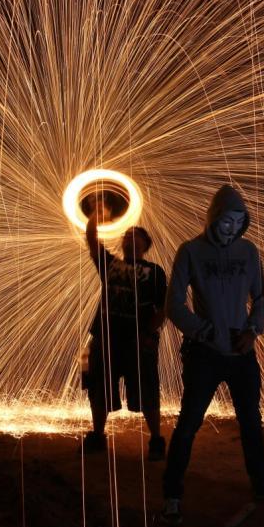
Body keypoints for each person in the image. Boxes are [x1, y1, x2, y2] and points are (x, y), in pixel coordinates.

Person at [160, 184, 264, 526]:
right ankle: (172, 494)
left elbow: (260, 298)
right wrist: (203, 332)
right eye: (226, 221)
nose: (231, 227)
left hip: (241, 352)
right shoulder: (190, 252)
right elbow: (173, 305)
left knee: (251, 421)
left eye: (238, 221)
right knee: (189, 424)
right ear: (213, 218)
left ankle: (261, 483)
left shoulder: (249, 252)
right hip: (205, 353)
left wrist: (253, 330)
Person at [82, 196, 168, 461]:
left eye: (136, 236)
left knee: (147, 390)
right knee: (99, 388)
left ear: (146, 245)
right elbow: (92, 240)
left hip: (137, 342)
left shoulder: (154, 272)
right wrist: (97, 213)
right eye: (127, 236)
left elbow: (164, 307)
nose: (130, 239)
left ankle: (156, 439)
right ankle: (97, 436)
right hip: (105, 339)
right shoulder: (110, 264)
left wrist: (150, 335)